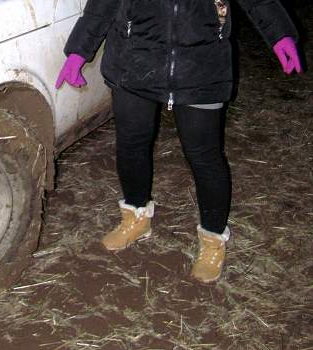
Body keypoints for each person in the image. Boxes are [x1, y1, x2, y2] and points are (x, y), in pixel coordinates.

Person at [55, 0, 302, 283]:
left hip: (202, 64)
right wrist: (78, 51)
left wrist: (280, 33)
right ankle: (135, 216)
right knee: (131, 142)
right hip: (132, 58)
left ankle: (212, 238)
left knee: (204, 155)